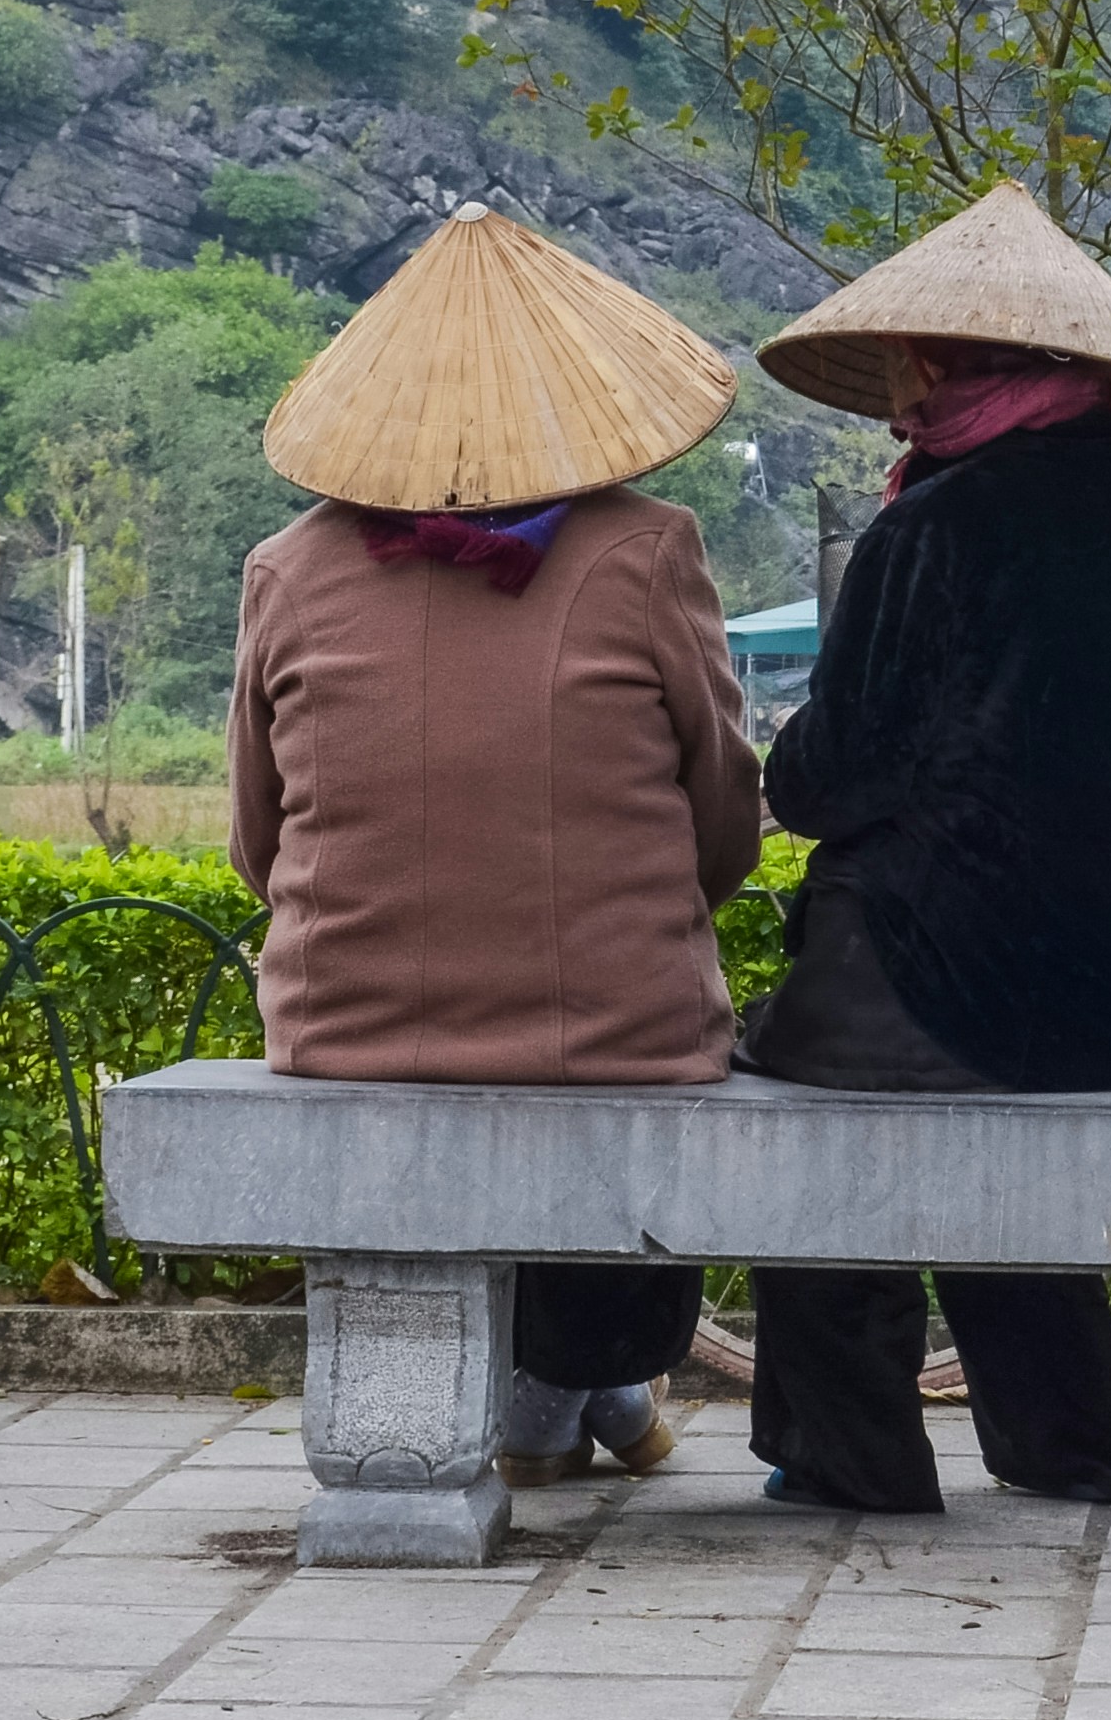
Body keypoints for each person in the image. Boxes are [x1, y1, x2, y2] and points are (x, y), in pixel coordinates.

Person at [228, 200, 754, 1486]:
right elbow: (723, 813)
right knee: (629, 1074)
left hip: (348, 1025)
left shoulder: (283, 569)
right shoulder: (647, 549)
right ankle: (570, 1390)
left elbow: (257, 837)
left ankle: (563, 1399)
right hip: (615, 1025)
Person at [735, 180, 1111, 1512]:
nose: (900, 398)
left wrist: (785, 754)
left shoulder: (928, 528)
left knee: (813, 1141)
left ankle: (851, 1455)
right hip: (1109, 996)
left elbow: (838, 774)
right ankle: (1071, 1450)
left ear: (959, 365)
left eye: (913, 369)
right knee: (1017, 1156)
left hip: (926, 962)